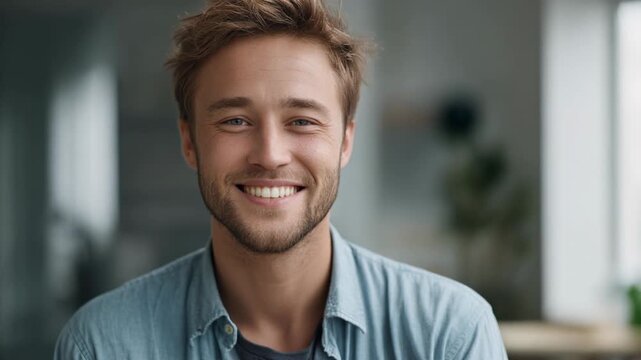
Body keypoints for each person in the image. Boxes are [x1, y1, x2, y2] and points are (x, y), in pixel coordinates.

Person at [54, 0, 508, 358]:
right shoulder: (102, 344)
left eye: (303, 121)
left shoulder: (446, 336)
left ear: (346, 141)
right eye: (234, 120)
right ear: (189, 142)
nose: (270, 155)